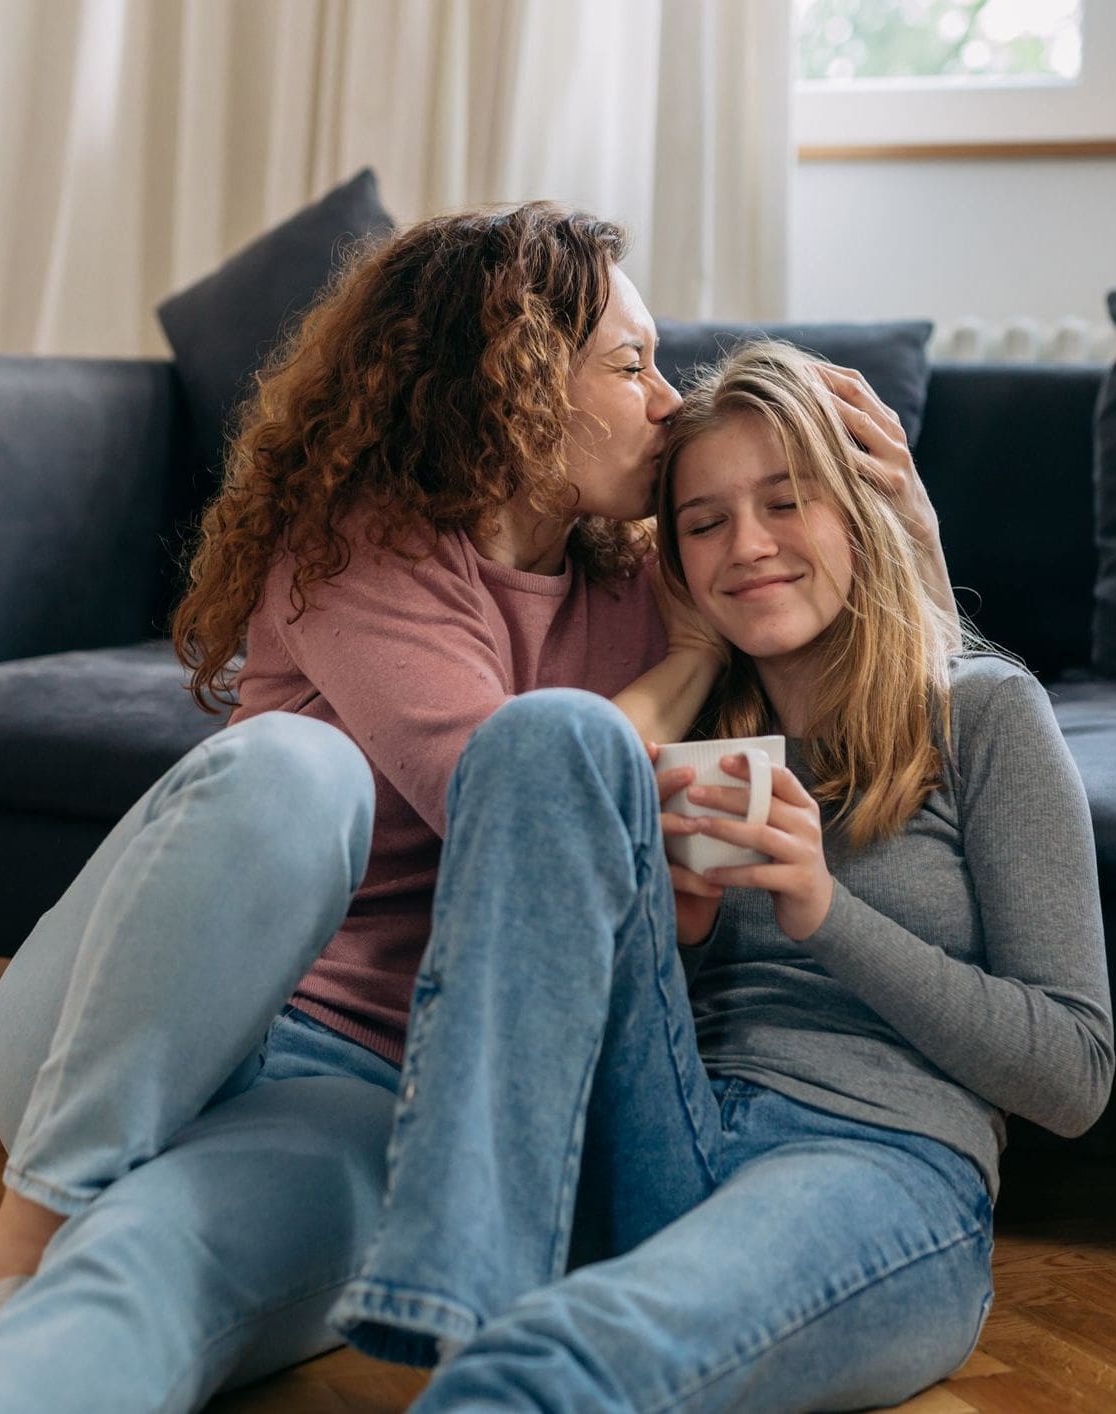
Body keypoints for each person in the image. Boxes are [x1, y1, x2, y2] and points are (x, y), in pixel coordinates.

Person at [0, 204, 948, 1412]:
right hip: (141, 1021)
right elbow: (513, 795)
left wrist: (905, 522)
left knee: (154, 1266)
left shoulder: (646, 573)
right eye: (629, 364)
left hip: (369, 1088)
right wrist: (687, 665)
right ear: (520, 382)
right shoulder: (357, 547)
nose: (666, 401)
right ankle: (35, 1216)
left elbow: (857, 651)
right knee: (298, 769)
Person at [330, 340, 1114, 1412]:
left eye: (785, 503)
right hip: (668, 1129)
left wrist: (824, 911)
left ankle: (497, 1338)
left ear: (854, 511)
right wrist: (679, 926)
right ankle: (455, 1280)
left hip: (874, 1164)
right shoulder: (694, 732)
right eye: (703, 523)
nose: (747, 547)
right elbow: (589, 973)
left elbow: (1073, 1077)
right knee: (543, 733)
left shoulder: (981, 713)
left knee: (553, 1363)